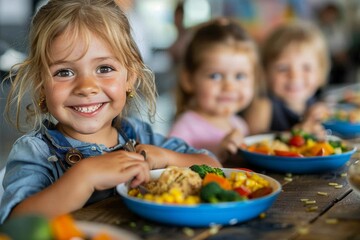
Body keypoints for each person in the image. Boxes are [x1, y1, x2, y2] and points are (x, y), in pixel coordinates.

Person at [0, 0, 221, 224]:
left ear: (130, 77)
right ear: (40, 85)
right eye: (64, 72)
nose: (86, 87)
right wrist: (83, 177)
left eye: (104, 68)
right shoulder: (36, 152)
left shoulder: (138, 135)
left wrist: (166, 157)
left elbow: (214, 169)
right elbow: (14, 226)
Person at [168, 18, 261, 163]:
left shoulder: (239, 124)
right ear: (189, 80)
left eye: (240, 76)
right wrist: (216, 155)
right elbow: (169, 167)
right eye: (215, 76)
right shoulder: (186, 127)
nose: (229, 87)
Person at [243, 21, 330, 137]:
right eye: (282, 68)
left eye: (306, 68)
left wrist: (318, 117)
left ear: (320, 73)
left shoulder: (311, 102)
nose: (294, 76)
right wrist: (300, 132)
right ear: (265, 73)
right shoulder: (263, 106)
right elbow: (252, 142)